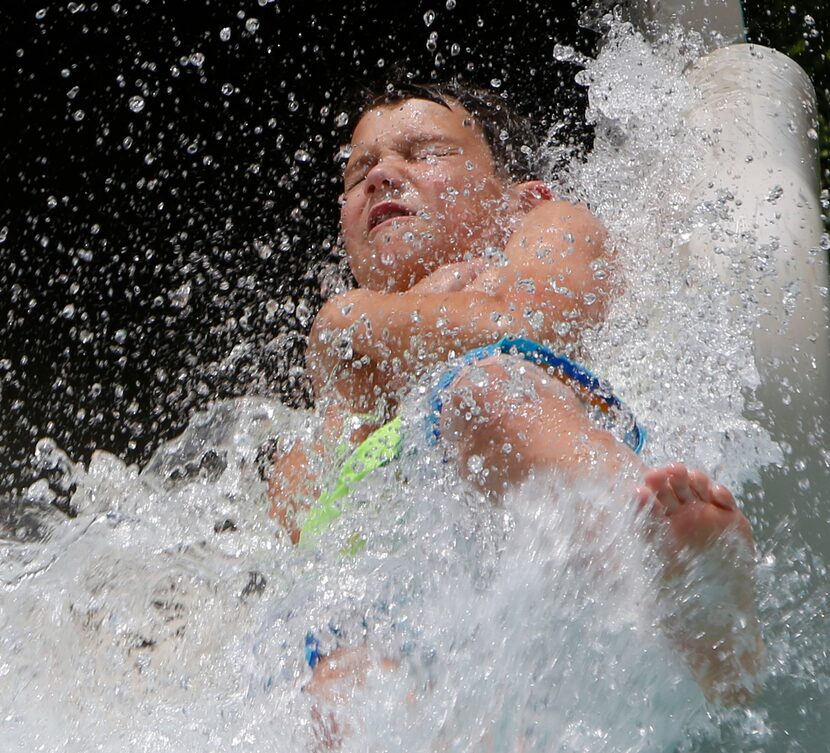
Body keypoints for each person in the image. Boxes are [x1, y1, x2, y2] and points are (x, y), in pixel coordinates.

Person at [267, 79, 764, 715]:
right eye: (359, 169)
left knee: (478, 395)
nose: (382, 175)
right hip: (429, 611)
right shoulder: (337, 395)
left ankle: (662, 563)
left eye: (424, 153)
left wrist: (353, 322)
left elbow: (541, 319)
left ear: (518, 194)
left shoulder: (541, 228)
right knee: (337, 674)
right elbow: (303, 537)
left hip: (548, 477)